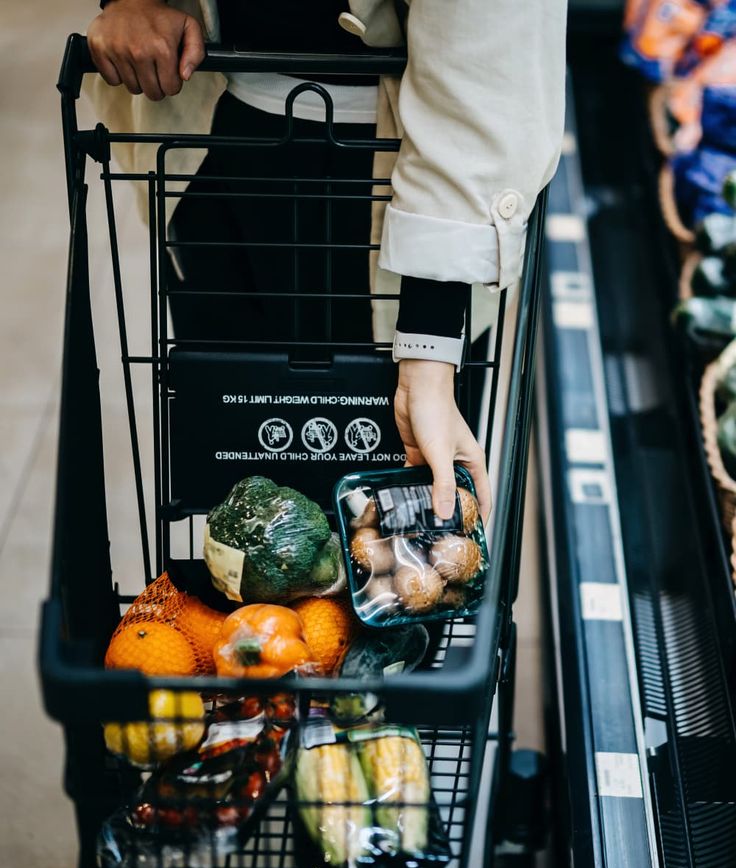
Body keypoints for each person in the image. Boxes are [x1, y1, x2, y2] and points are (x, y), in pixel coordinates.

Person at [86, 0, 567, 522]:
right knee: (238, 505)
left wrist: (430, 345)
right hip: (209, 125)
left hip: (406, 176)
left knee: (398, 530)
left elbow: (485, 37)